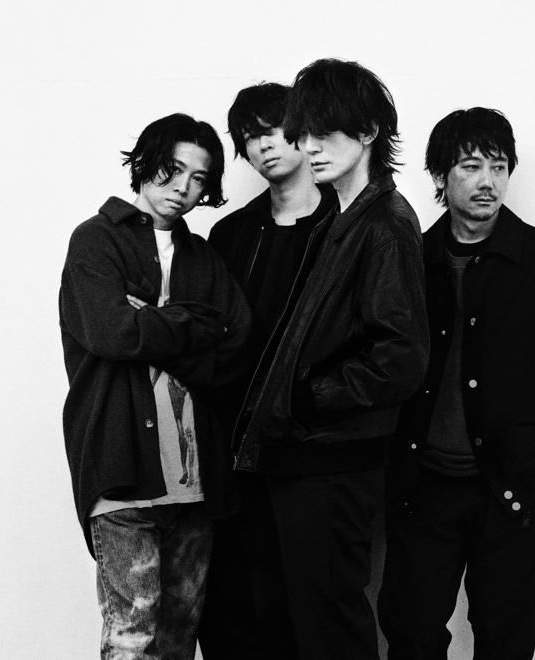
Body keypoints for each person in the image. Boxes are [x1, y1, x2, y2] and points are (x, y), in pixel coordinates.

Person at [378, 107, 535, 659]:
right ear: (440, 175)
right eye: (471, 166)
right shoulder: (411, 259)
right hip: (423, 489)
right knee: (411, 633)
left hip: (515, 490)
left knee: (505, 642)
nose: (488, 181)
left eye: (499, 166)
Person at [226, 58, 429, 660]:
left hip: (334, 460)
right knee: (295, 624)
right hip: (305, 456)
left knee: (329, 629)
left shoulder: (384, 224)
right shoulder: (341, 219)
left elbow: (401, 357)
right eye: (303, 134)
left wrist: (308, 398)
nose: (308, 147)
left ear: (368, 131)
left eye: (324, 133)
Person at [59, 113, 250, 660]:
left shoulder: (202, 255)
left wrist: (155, 318)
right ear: (146, 162)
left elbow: (238, 340)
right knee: (131, 635)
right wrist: (196, 322)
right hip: (121, 471)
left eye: (198, 178)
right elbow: (112, 332)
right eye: (173, 169)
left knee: (178, 636)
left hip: (194, 479)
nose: (183, 187)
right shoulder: (96, 240)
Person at [198, 81, 337, 660]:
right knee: (236, 603)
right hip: (239, 448)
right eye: (249, 136)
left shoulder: (346, 225)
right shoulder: (231, 234)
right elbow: (212, 334)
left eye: (274, 129)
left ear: (303, 131)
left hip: (317, 451)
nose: (263, 145)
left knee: (314, 607)